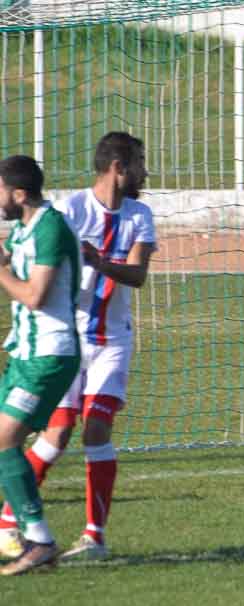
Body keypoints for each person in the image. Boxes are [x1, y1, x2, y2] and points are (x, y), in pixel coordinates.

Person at [0, 132, 156, 562]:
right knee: (57, 431)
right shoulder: (71, 210)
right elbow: (27, 253)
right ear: (118, 167)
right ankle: (9, 523)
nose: (145, 172)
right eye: (139, 163)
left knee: (97, 428)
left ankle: (93, 538)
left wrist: (100, 262)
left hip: (112, 340)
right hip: (69, 337)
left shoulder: (140, 215)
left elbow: (138, 275)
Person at [0, 155, 81, 575]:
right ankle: (27, 535)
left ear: (19, 194)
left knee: (5, 439)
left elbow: (35, 296)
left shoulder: (51, 228)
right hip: (25, 353)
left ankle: (39, 540)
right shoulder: (23, 229)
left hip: (50, 355)